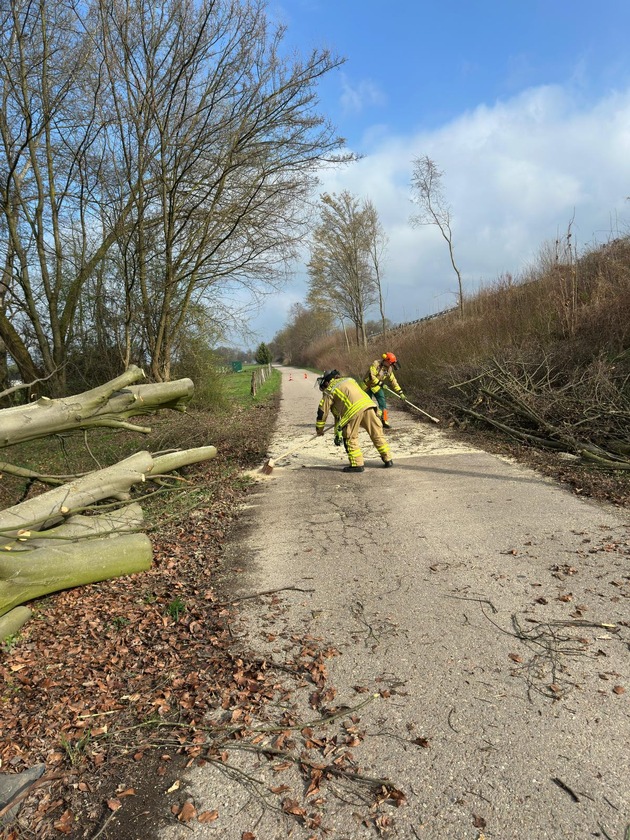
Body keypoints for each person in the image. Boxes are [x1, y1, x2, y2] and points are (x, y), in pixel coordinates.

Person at [315, 370, 393, 473]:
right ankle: (388, 459)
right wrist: (337, 432)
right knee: (376, 434)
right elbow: (338, 416)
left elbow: (322, 412)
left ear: (327, 381)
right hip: (369, 406)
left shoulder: (330, 390)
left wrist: (319, 430)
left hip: (353, 412)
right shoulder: (350, 380)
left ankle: (357, 464)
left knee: (350, 438)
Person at [363, 352, 406, 429]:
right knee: (367, 404)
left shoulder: (389, 369)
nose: (392, 365)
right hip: (366, 385)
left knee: (383, 403)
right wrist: (381, 383)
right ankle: (368, 421)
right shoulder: (376, 364)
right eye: (391, 363)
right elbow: (371, 376)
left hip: (376, 386)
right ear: (387, 361)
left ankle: (385, 420)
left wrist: (400, 392)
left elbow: (393, 381)